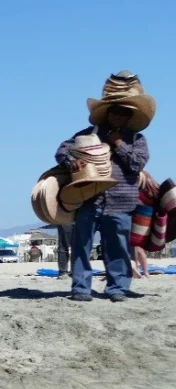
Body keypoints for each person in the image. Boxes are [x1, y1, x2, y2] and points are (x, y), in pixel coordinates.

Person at [56, 71, 156, 302]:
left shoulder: (137, 140)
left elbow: (137, 163)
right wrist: (72, 162)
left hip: (122, 201)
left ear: (130, 116)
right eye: (115, 111)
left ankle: (117, 288)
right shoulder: (87, 135)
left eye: (124, 112)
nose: (119, 115)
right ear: (107, 112)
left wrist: (118, 143)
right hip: (89, 199)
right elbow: (62, 149)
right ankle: (81, 287)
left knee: (118, 248)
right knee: (82, 245)